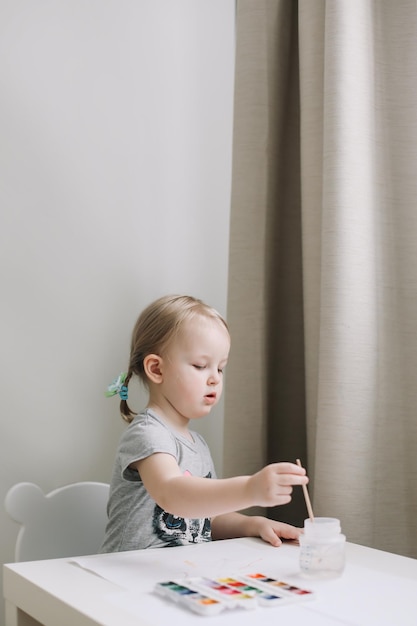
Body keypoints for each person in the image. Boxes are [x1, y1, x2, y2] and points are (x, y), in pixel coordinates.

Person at [100, 294, 309, 553]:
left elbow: (206, 518)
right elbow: (172, 494)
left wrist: (253, 524)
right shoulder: (147, 433)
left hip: (177, 573)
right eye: (201, 366)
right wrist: (249, 488)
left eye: (220, 369)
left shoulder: (197, 445)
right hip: (124, 575)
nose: (214, 379)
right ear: (156, 369)